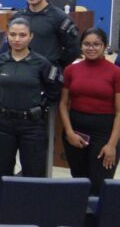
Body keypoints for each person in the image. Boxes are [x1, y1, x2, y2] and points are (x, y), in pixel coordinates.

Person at [0, 18, 60, 189]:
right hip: (4, 124)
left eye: (22, 35)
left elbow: (54, 91)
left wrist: (38, 106)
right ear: (7, 36)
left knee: (33, 173)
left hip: (32, 125)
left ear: (30, 37)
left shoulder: (42, 63)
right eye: (13, 34)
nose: (17, 39)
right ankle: (2, 210)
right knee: (2, 172)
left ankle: (31, 211)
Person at [59, 27, 120, 195]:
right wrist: (69, 132)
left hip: (104, 133)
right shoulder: (71, 70)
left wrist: (112, 145)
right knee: (79, 181)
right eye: (86, 44)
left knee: (100, 183)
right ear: (81, 46)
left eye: (96, 44)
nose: (91, 48)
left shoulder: (116, 72)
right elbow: (63, 104)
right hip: (76, 131)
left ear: (105, 46)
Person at [12, 0, 80, 69]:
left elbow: (74, 49)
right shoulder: (17, 17)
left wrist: (54, 66)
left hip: (46, 76)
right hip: (22, 72)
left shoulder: (59, 17)